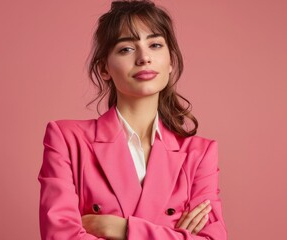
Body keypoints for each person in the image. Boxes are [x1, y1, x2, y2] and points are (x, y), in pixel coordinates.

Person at [38, 0, 227, 239]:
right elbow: (60, 235)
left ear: (171, 62)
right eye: (126, 49)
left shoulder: (199, 154)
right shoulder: (66, 139)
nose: (144, 57)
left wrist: (122, 229)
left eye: (155, 45)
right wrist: (169, 233)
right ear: (104, 68)